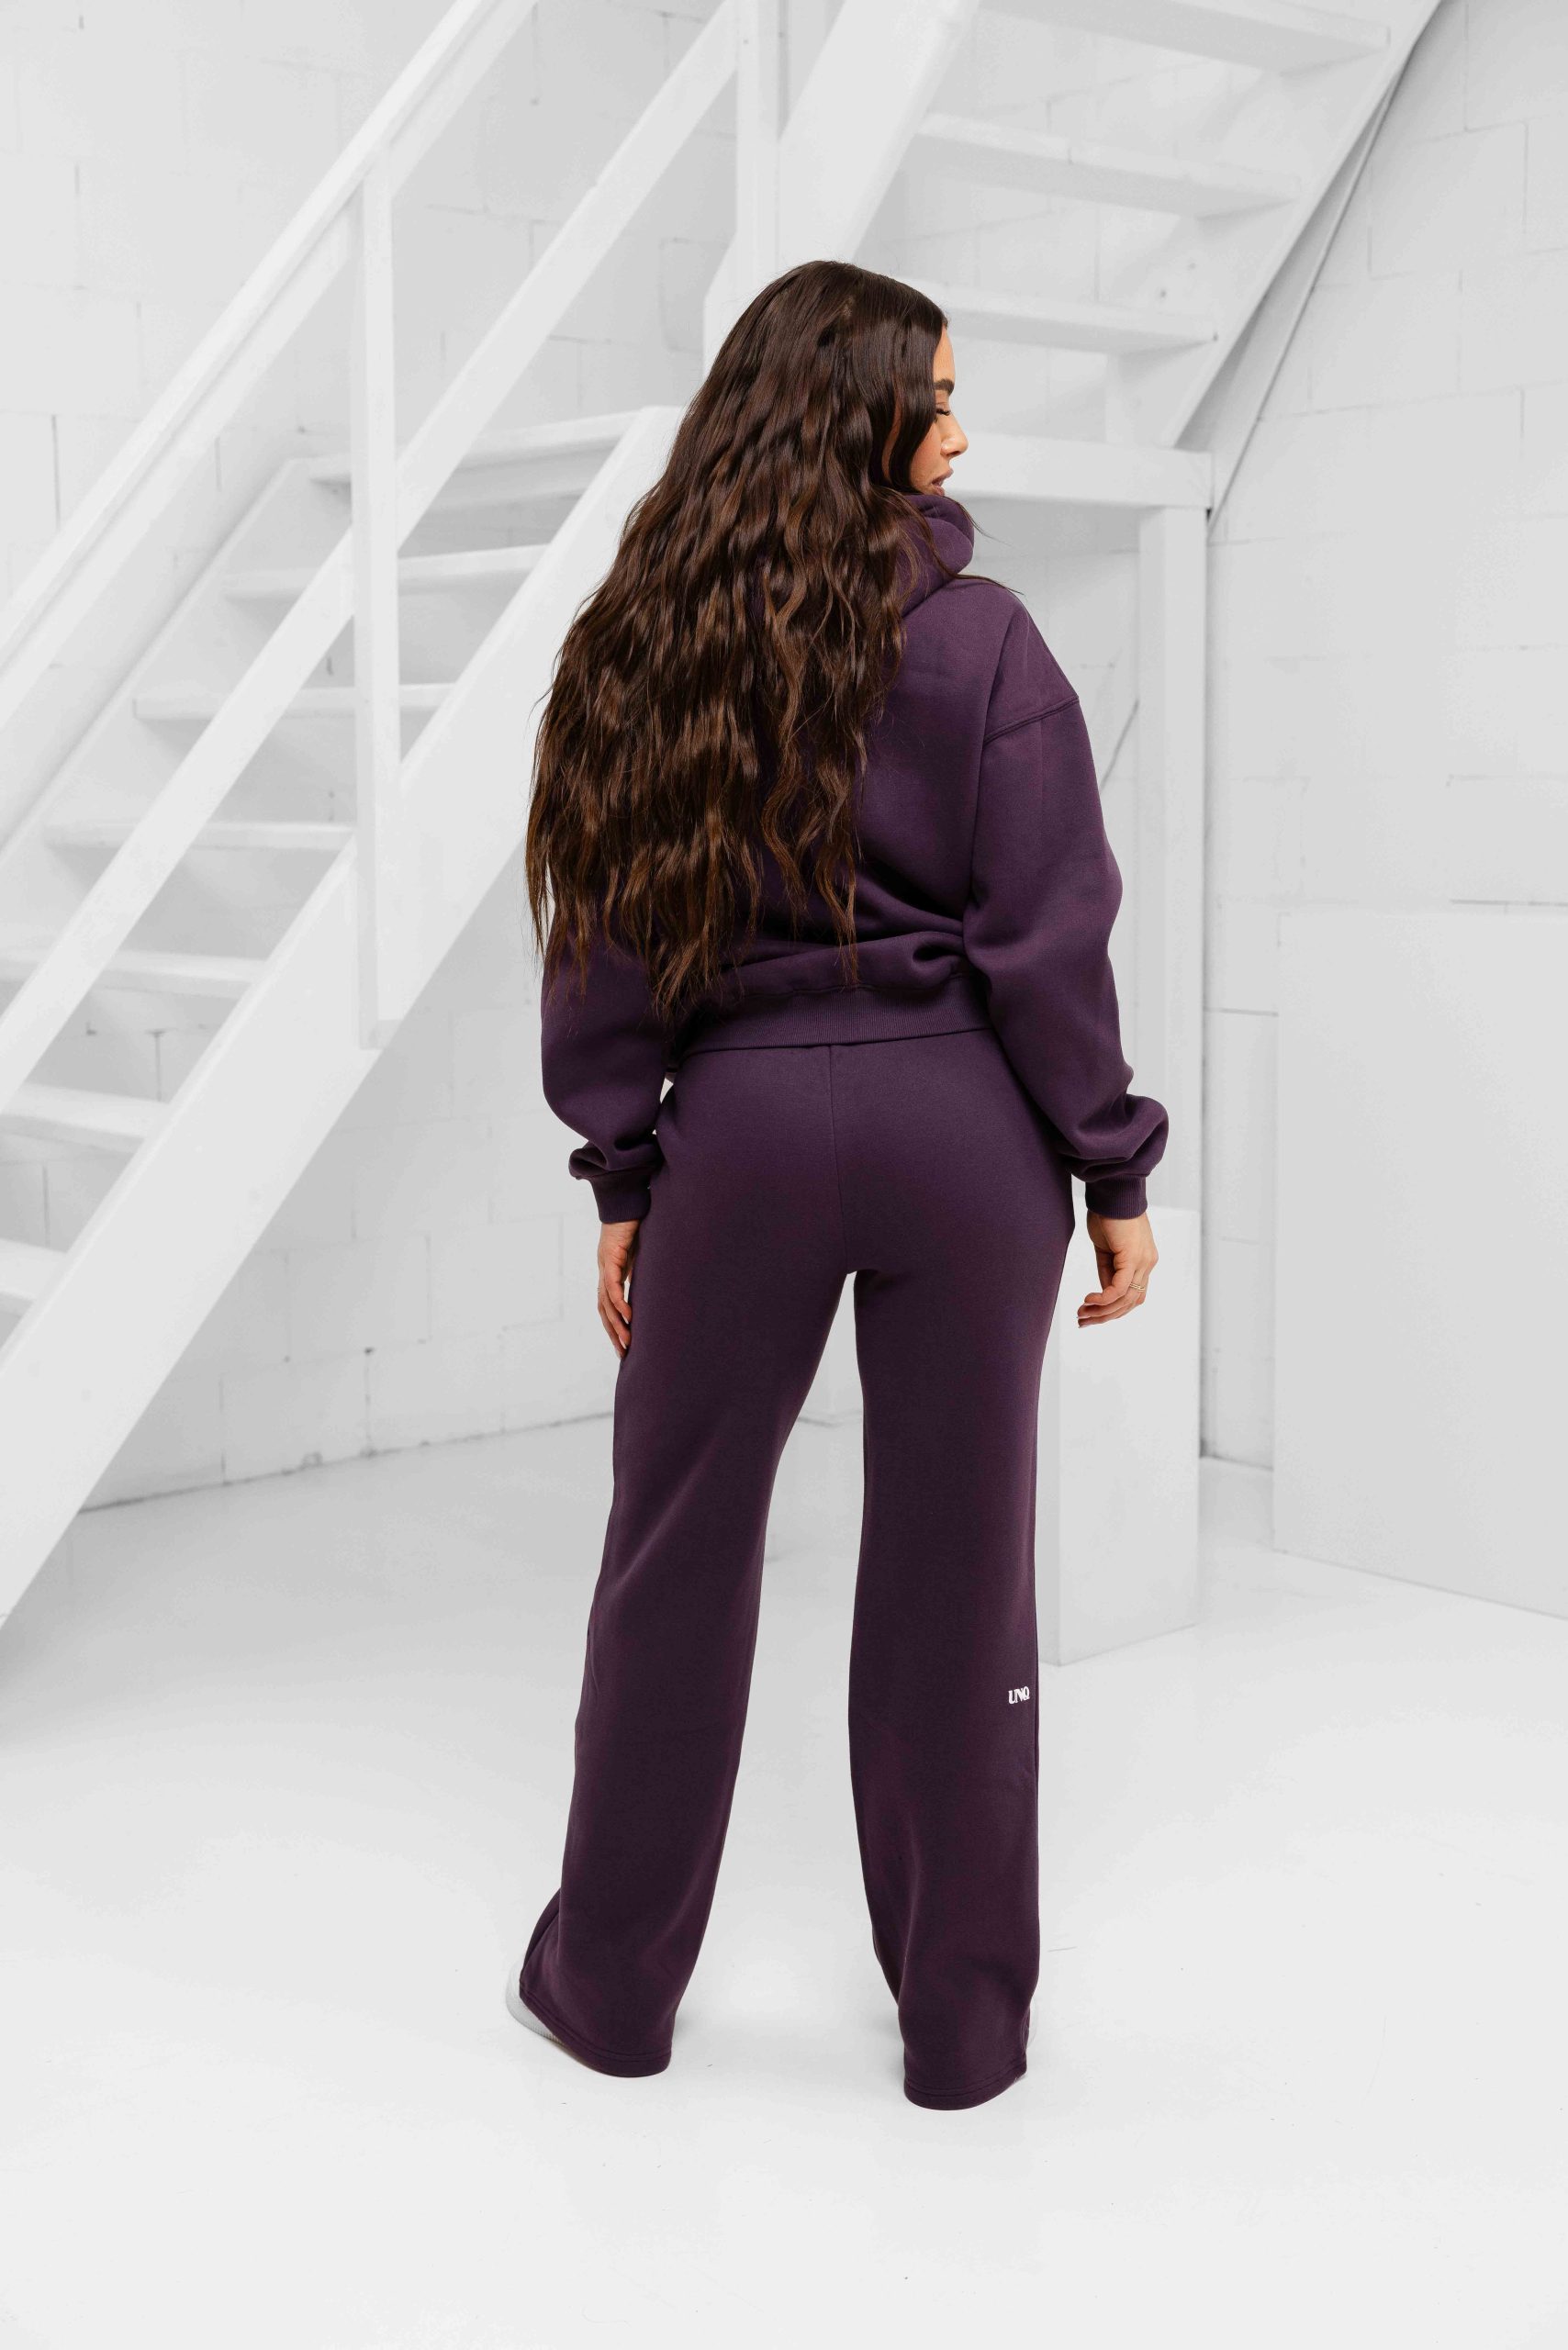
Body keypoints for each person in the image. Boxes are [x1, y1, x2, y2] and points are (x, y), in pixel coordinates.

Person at [510, 258, 1167, 2111]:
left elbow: (602, 945)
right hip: (963, 1135)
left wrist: (621, 1168)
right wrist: (1109, 1161)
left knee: (671, 1559)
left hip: (736, 1137)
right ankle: (962, 2028)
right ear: (852, 410)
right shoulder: (988, 646)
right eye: (934, 396)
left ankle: (607, 1991)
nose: (960, 430)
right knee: (960, 1576)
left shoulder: (645, 638)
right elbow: (1049, 937)